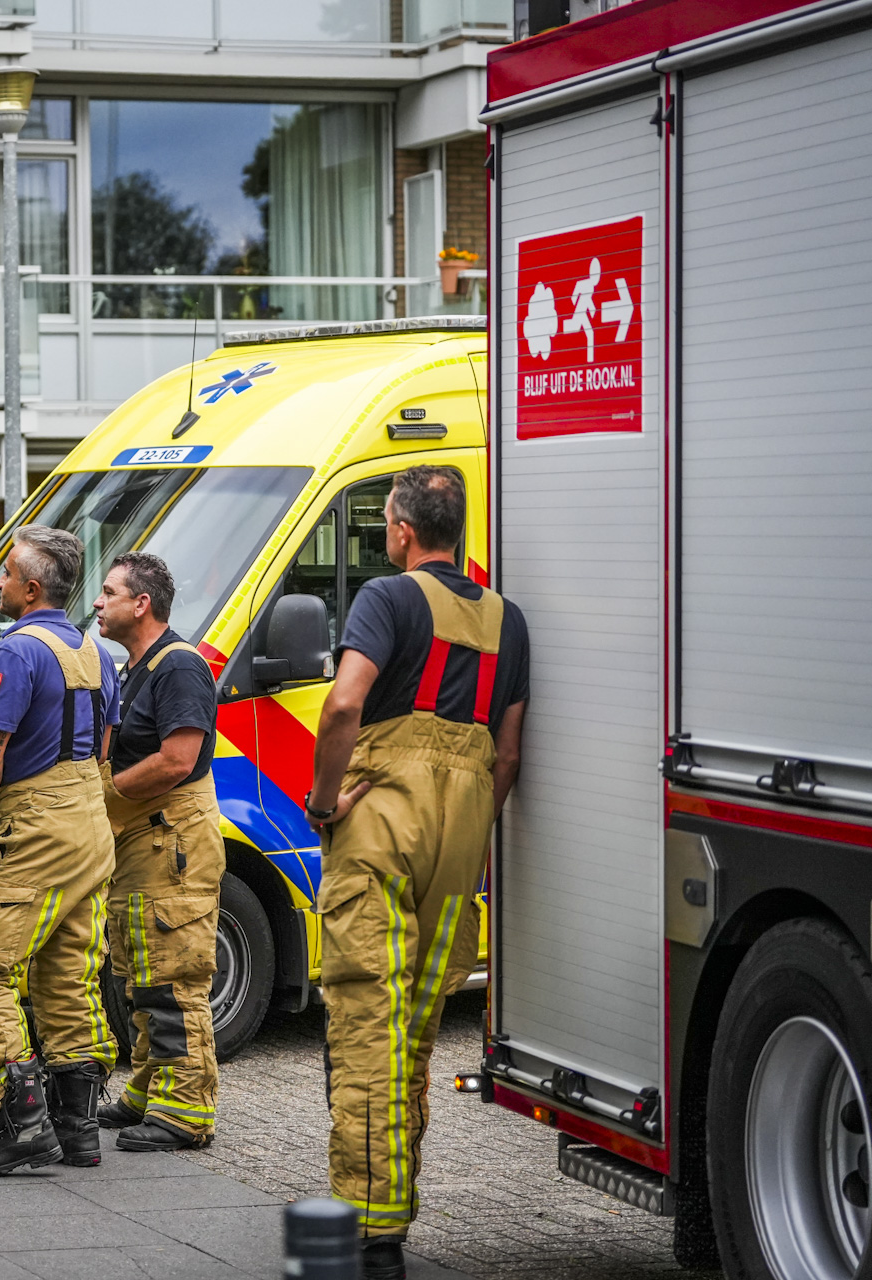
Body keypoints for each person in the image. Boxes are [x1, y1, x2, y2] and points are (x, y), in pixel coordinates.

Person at [306, 466, 528, 1280]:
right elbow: (507, 755)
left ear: (400, 528)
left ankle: (372, 1232)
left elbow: (341, 705)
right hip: (464, 832)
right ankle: (394, 1205)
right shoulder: (510, 619)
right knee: (415, 1031)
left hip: (382, 823)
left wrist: (327, 801)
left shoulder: (385, 599)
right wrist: (472, 825)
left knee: (368, 1018)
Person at [0, 526, 120, 1176]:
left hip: (36, 828)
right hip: (90, 826)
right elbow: (104, 749)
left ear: (30, 586)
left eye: (5, 574)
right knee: (65, 974)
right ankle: (79, 1130)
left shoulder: (14, 652)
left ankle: (20, 1119)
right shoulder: (96, 651)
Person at [90, 552, 225, 1153]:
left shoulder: (180, 667)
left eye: (109, 591)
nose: (98, 601)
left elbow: (176, 760)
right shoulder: (135, 667)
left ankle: (185, 1110)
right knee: (143, 971)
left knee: (174, 977)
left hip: (173, 844)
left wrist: (107, 793)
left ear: (140, 604)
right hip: (145, 844)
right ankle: (150, 1088)